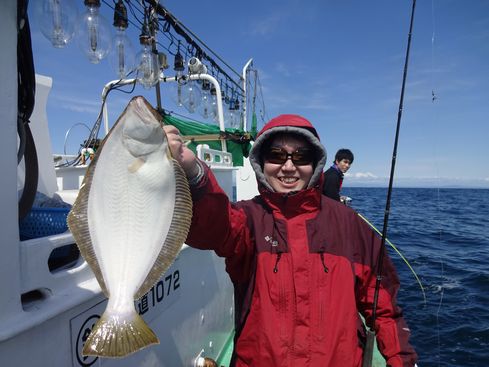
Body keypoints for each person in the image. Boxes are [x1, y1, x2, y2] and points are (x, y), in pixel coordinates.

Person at [164, 115, 417, 367]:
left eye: (301, 156)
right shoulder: (246, 219)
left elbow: (384, 310)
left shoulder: (351, 225)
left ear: (315, 164)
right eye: (276, 155)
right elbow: (210, 228)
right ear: (261, 162)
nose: (288, 167)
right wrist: (193, 170)